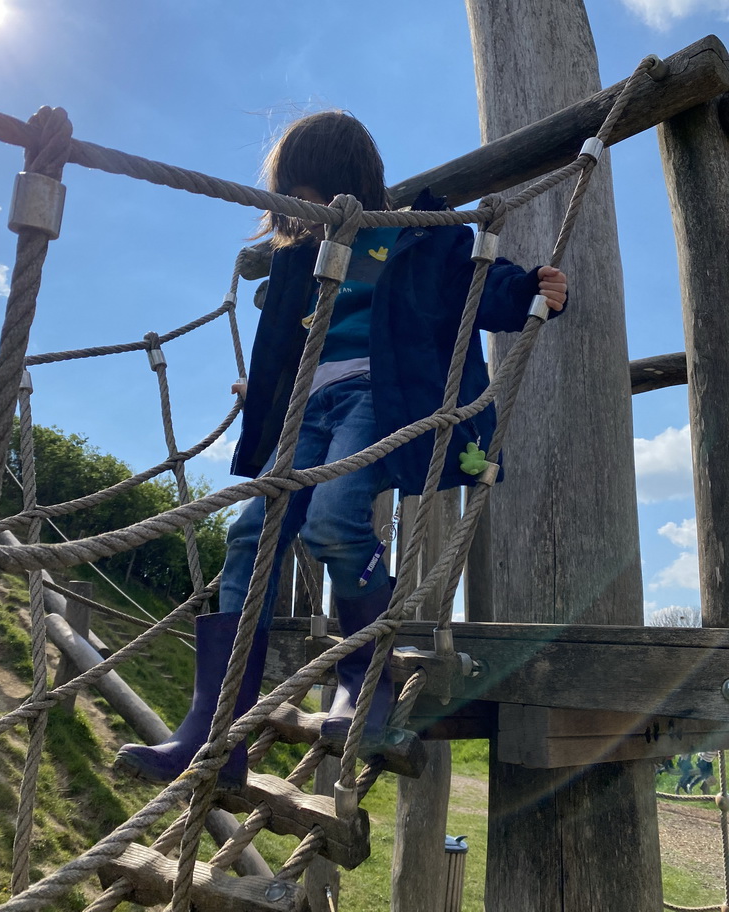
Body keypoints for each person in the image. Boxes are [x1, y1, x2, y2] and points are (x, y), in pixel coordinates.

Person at [115, 110, 568, 788]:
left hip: (374, 398)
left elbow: (475, 285)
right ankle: (214, 734)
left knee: (333, 519)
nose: (298, 207)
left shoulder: (415, 236)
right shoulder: (301, 257)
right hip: (306, 407)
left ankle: (367, 677)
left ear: (339, 182)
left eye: (305, 189)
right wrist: (260, 388)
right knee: (248, 537)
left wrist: (532, 287)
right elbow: (287, 342)